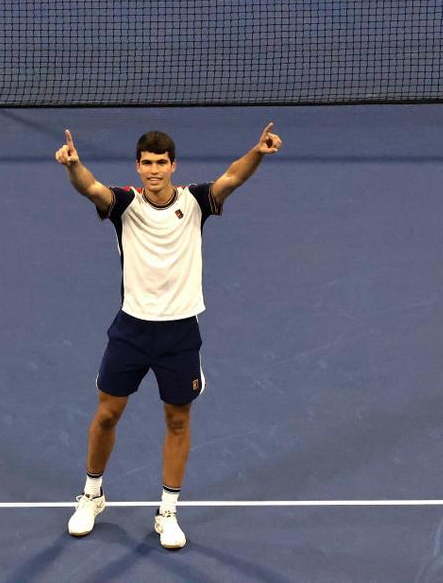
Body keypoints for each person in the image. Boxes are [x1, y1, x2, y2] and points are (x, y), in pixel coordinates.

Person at [56, 122, 283, 549]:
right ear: (138, 167)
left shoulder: (196, 201)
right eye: (147, 163)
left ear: (173, 165)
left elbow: (232, 176)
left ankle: (168, 511)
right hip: (132, 329)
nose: (154, 170)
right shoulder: (125, 205)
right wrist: (74, 166)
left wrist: (257, 152)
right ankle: (92, 494)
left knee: (177, 419)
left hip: (180, 332)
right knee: (107, 414)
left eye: (161, 163)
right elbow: (91, 189)